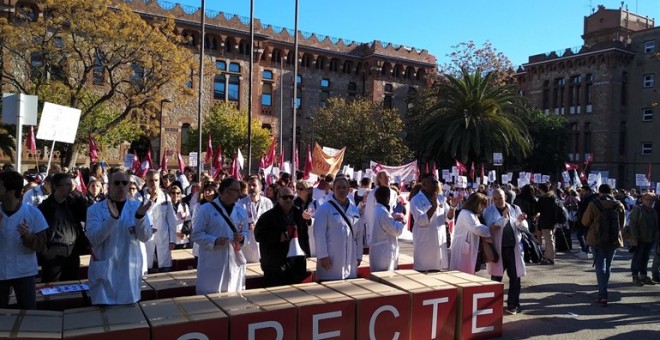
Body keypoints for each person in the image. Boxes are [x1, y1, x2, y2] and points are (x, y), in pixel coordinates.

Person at [86, 171, 152, 305]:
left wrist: (140, 218)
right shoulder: (94, 210)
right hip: (104, 273)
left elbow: (145, 237)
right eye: (116, 183)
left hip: (129, 272)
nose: (121, 186)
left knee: (128, 319)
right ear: (109, 186)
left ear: (129, 186)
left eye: (124, 183)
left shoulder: (137, 208)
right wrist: (112, 219)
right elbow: (93, 239)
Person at [0, 171, 48, 309]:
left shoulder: (33, 213)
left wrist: (28, 237)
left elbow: (42, 245)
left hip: (24, 273)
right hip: (1, 272)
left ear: (11, 191)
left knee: (28, 313)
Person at [192, 178, 248, 294]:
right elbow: (196, 234)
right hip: (213, 262)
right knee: (211, 300)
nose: (240, 194)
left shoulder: (241, 210)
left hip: (234, 261)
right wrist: (215, 241)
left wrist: (242, 238)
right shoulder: (205, 209)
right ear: (226, 191)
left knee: (234, 301)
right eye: (236, 191)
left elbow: (246, 232)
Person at [483, 189, 529, 315]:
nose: (498, 201)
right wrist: (502, 219)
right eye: (495, 198)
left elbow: (522, 227)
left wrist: (520, 220)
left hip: (513, 248)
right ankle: (493, 305)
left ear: (506, 197)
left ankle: (513, 304)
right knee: (496, 278)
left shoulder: (514, 208)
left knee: (515, 278)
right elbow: (490, 227)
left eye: (501, 198)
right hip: (498, 249)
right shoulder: (488, 210)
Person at [37, 173, 89, 283]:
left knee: (72, 283)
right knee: (52, 284)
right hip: (53, 249)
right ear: (56, 186)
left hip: (72, 249)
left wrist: (81, 200)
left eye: (71, 184)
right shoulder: (45, 207)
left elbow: (86, 216)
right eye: (67, 185)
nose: (70, 188)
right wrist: (45, 251)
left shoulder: (73, 203)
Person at [254, 186, 311, 287]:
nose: (288, 199)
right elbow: (258, 235)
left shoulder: (300, 215)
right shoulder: (268, 217)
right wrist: (278, 237)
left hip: (296, 264)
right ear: (278, 199)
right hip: (275, 265)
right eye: (285, 197)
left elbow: (305, 238)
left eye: (291, 197)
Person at [581, 184, 625, 307]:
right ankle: (603, 288)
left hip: (597, 238)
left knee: (600, 266)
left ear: (600, 192)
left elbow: (585, 221)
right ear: (611, 192)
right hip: (613, 239)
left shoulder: (594, 204)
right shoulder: (619, 204)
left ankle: (602, 294)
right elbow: (622, 223)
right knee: (608, 264)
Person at [313, 177, 363, 281]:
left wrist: (359, 255)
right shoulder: (324, 209)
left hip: (350, 258)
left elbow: (358, 235)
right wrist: (323, 256)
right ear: (333, 189)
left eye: (344, 187)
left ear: (349, 189)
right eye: (338, 187)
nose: (341, 190)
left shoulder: (354, 210)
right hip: (330, 260)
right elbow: (319, 234)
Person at [411, 174, 459, 272]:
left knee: (437, 275)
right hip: (425, 246)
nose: (436, 184)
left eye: (437, 182)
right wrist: (433, 207)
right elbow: (420, 220)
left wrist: (452, 207)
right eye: (433, 182)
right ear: (424, 183)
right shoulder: (416, 200)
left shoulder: (440, 198)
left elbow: (447, 218)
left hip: (439, 244)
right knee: (423, 277)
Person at [137, 170, 177, 272]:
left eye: (156, 180)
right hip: (146, 237)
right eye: (151, 180)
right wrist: (152, 199)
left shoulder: (165, 196)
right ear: (145, 180)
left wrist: (172, 239)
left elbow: (171, 219)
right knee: (147, 266)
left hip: (163, 236)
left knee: (164, 267)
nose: (153, 183)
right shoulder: (139, 196)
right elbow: (140, 215)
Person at [449, 192, 490, 274]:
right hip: (462, 248)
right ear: (476, 203)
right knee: (461, 274)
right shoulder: (465, 213)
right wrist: (492, 229)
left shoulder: (471, 214)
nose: (483, 207)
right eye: (482, 204)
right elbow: (477, 228)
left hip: (468, 248)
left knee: (467, 273)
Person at [238, 175, 274, 263]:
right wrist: (246, 225)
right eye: (249, 185)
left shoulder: (267, 202)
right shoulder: (241, 203)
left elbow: (272, 222)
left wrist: (259, 225)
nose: (251, 187)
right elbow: (236, 223)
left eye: (254, 185)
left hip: (264, 244)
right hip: (248, 247)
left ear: (260, 187)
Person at [369, 186, 405, 272]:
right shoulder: (383, 212)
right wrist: (401, 221)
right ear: (388, 198)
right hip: (384, 253)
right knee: (385, 277)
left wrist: (392, 217)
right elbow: (396, 230)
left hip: (379, 251)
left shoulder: (376, 210)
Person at [628, 191, 658, 286]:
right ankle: (635, 276)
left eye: (652, 200)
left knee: (646, 258)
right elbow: (633, 224)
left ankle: (643, 276)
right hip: (640, 239)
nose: (650, 202)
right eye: (648, 199)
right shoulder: (638, 210)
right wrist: (634, 238)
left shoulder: (653, 211)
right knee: (638, 257)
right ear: (643, 200)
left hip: (650, 239)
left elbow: (655, 225)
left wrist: (655, 237)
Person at [364, 171, 397, 248]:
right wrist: (370, 230)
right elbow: (369, 213)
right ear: (379, 179)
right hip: (377, 228)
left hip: (390, 226)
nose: (388, 179)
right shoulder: (373, 194)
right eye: (386, 177)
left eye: (389, 177)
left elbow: (393, 209)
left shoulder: (393, 193)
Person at [536, 183, 558, 265]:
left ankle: (550, 258)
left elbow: (538, 209)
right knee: (551, 239)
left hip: (545, 221)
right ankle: (547, 256)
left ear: (541, 190)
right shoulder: (553, 197)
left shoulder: (543, 198)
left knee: (549, 240)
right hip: (552, 221)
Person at [168, 181, 192, 249]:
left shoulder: (184, 206)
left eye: (178, 193)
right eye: (173, 193)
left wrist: (184, 232)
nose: (175, 195)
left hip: (182, 240)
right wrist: (175, 233)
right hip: (170, 239)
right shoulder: (166, 206)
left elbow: (188, 221)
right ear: (170, 194)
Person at [576, 184, 597, 259]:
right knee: (581, 235)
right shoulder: (585, 197)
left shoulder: (590, 198)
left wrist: (579, 203)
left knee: (584, 235)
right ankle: (585, 249)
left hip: (587, 219)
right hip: (583, 218)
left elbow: (586, 208)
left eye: (583, 191)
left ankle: (586, 250)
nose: (582, 192)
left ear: (587, 191)